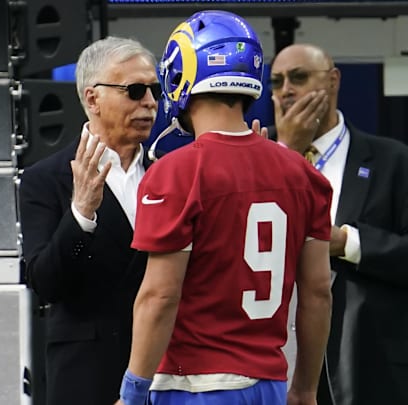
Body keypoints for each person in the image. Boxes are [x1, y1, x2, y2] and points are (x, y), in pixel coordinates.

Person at [118, 10, 334, 405]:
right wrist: (305, 388)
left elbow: (160, 296)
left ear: (180, 74)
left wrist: (132, 390)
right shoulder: (304, 174)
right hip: (268, 383)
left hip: (194, 385)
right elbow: (318, 292)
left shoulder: (177, 172)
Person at [19, 36, 159, 405]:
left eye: (155, 90)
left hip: (165, 374)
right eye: (135, 90)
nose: (149, 101)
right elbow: (44, 283)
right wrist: (81, 212)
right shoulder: (45, 178)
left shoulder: (169, 176)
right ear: (93, 98)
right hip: (86, 376)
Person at [270, 43, 408, 405]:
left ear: (333, 80)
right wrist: (285, 150)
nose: (286, 90)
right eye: (277, 82)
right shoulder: (259, 154)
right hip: (275, 361)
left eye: (299, 78)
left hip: (365, 364)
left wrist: (347, 242)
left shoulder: (391, 159)